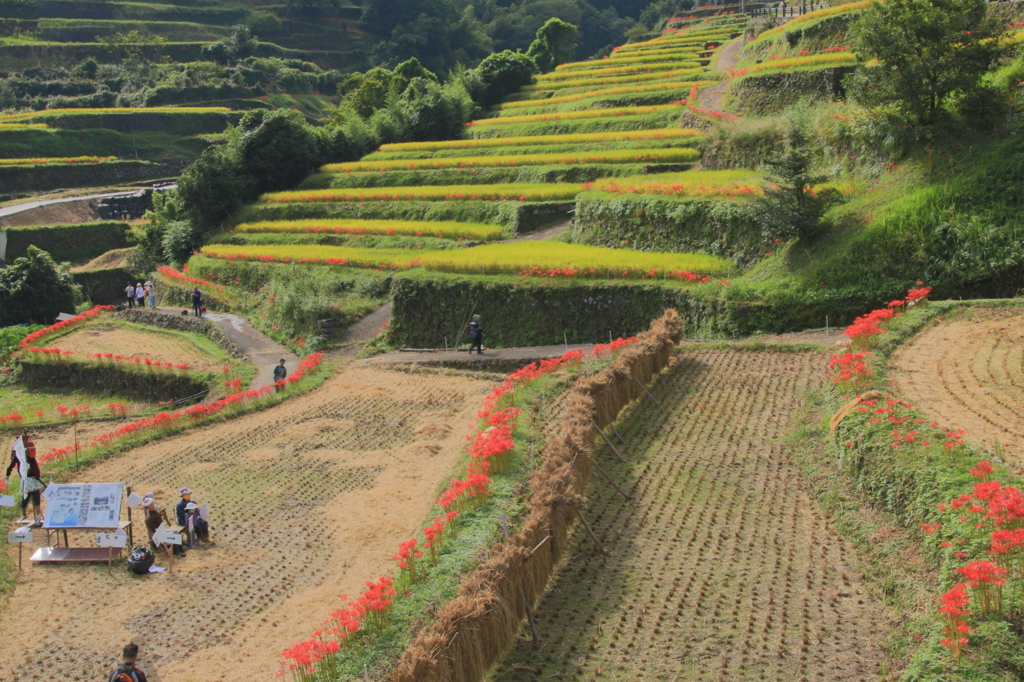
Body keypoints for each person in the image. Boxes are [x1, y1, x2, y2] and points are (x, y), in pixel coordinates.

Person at [6, 431, 44, 525]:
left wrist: (31, 470)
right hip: (25, 480)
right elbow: (11, 466)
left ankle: (38, 517)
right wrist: (7, 476)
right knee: (25, 498)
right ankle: (24, 514)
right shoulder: (17, 457)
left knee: (36, 499)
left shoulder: (31, 458)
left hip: (32, 480)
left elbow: (34, 466)